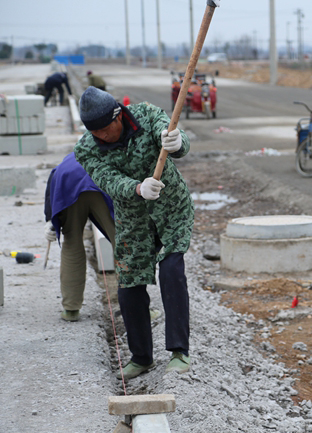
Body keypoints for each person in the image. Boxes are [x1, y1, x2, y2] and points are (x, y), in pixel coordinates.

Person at [74, 86, 194, 380]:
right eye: (96, 133)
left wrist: (177, 143)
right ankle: (141, 357)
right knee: (129, 285)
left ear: (119, 115)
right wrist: (138, 188)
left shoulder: (147, 114)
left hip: (171, 210)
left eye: (106, 130)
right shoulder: (86, 149)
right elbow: (108, 180)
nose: (103, 137)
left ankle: (179, 352)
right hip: (132, 218)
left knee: (171, 271)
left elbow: (177, 144)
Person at [44, 153, 115, 322]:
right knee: (124, 243)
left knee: (72, 243)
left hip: (68, 183)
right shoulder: (112, 147)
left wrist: (50, 219)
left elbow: (53, 179)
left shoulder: (68, 159)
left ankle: (71, 309)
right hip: (101, 184)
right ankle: (139, 309)